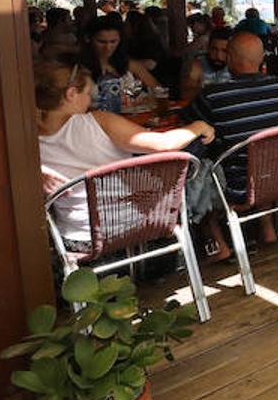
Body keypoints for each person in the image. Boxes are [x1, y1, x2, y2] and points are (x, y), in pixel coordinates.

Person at [35, 60, 215, 254]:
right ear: (71, 94)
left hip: (80, 239)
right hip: (138, 226)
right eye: (87, 93)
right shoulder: (99, 121)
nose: (90, 100)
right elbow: (164, 145)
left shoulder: (21, 141)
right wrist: (197, 127)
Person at [187, 31, 278, 250]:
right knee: (261, 156)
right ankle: (267, 229)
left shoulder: (215, 94)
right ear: (262, 59)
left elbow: (189, 122)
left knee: (199, 167)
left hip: (240, 185)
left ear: (229, 58)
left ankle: (218, 245)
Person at [79, 15, 161, 113]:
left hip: (132, 115)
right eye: (101, 42)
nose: (108, 47)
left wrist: (147, 99)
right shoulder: (78, 68)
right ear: (88, 39)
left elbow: (157, 89)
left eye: (113, 42)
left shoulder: (128, 64)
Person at [179, 27, 232, 102]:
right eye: (214, 49)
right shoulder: (198, 63)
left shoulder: (236, 65)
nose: (218, 56)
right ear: (208, 48)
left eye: (224, 51)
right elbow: (186, 94)